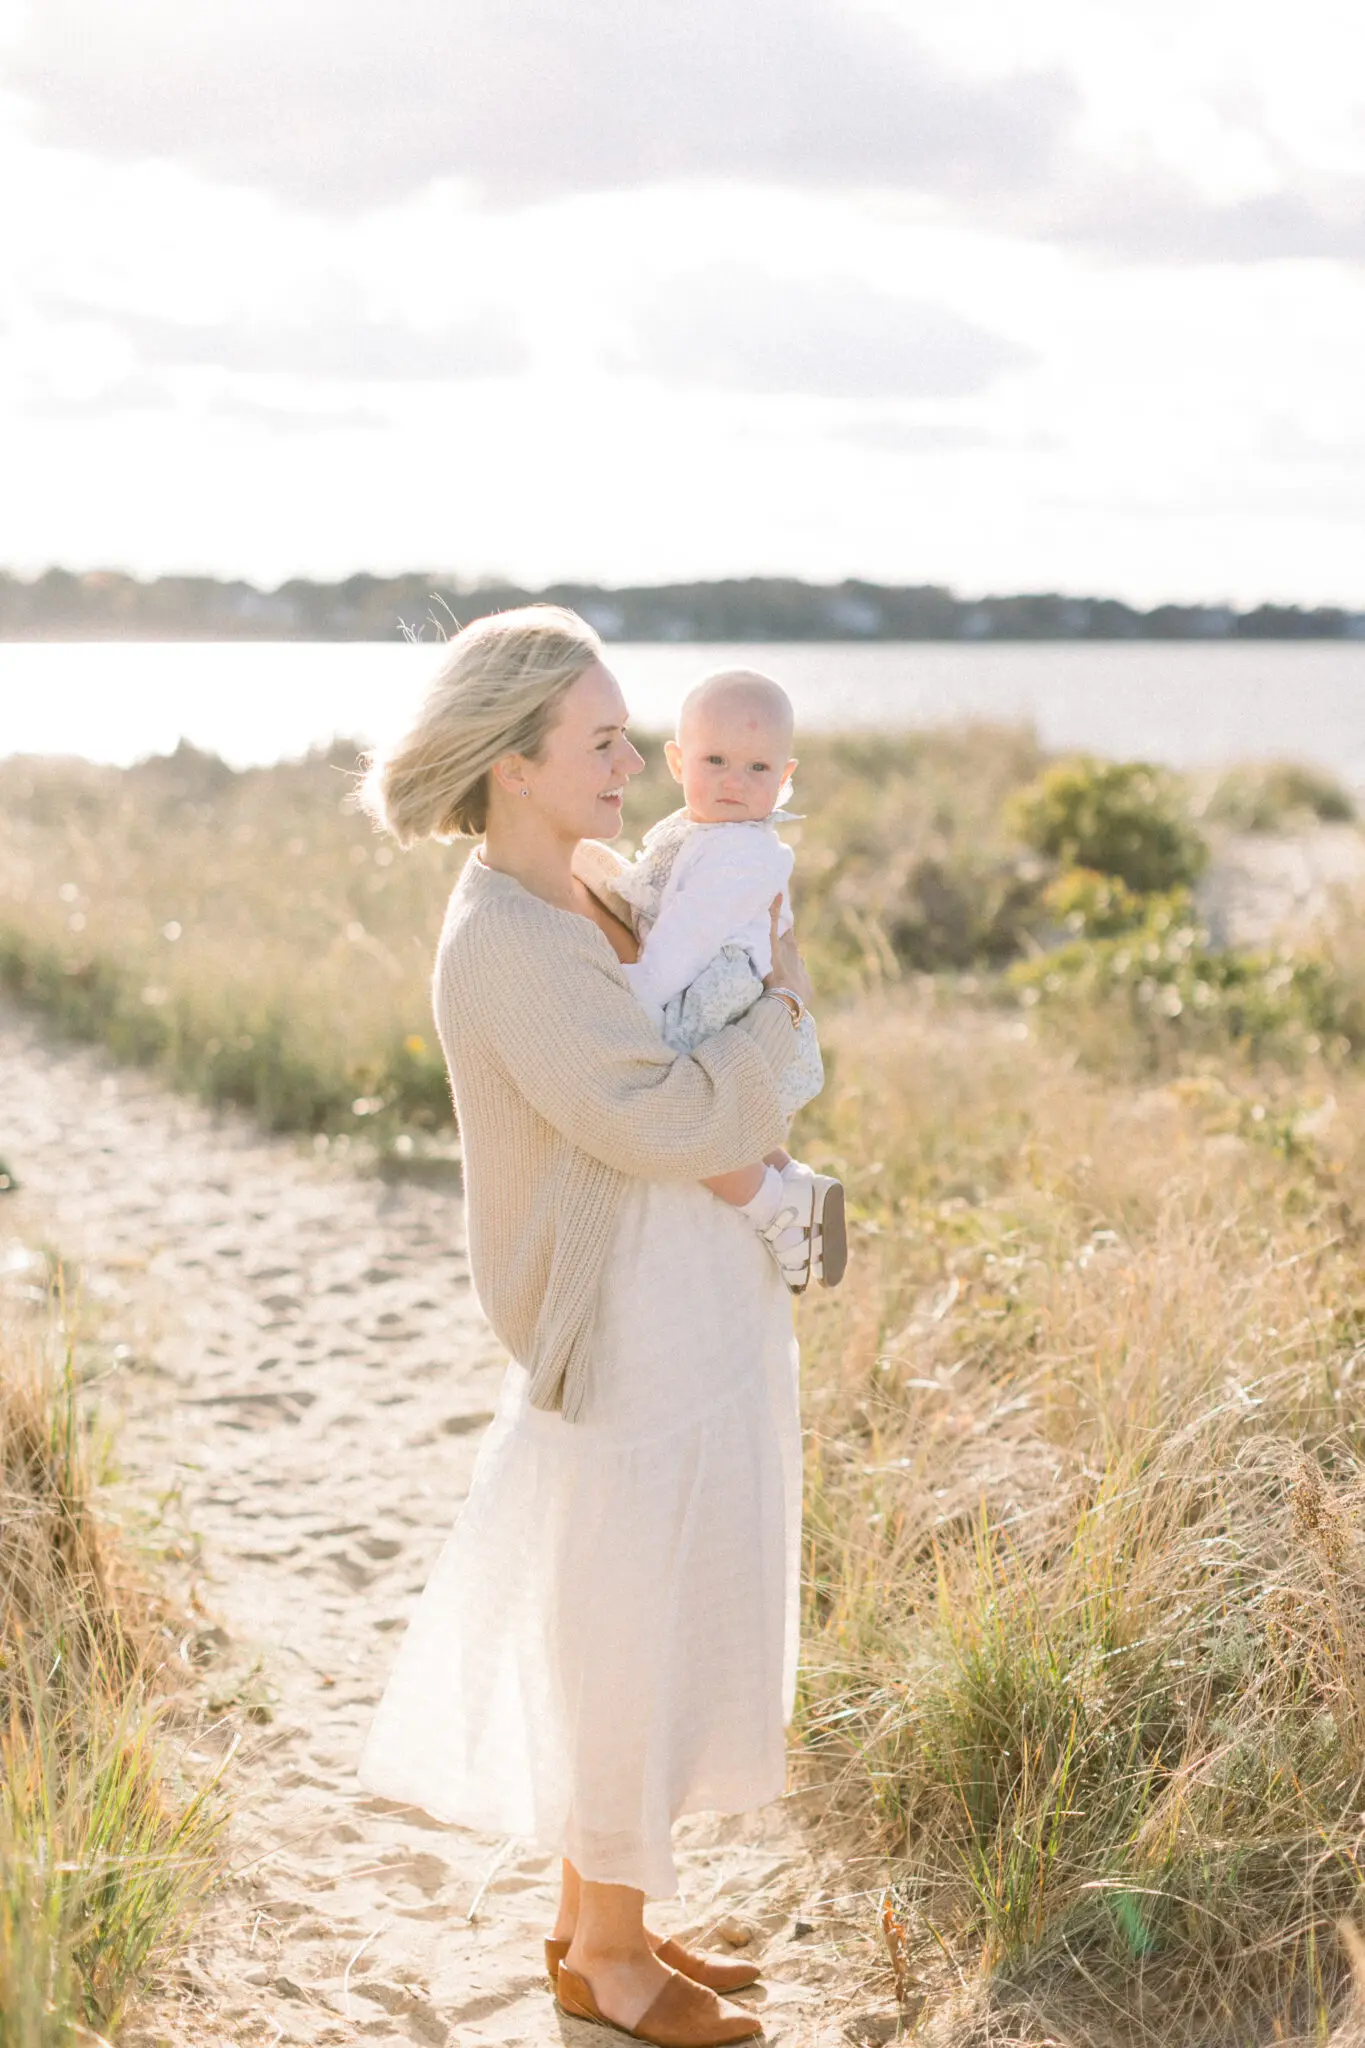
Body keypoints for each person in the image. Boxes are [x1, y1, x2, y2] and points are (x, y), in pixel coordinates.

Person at [355, 605, 816, 2048]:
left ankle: (591, 1925)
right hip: (624, 1330)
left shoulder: (593, 893)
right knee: (628, 1624)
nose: (636, 761)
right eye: (604, 740)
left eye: (629, 736)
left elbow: (690, 1041)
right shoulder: (506, 936)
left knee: (650, 1609)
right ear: (514, 764)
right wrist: (788, 1022)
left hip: (683, 1306)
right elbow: (664, 1111)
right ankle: (611, 1966)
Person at [613, 666, 845, 1293]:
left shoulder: (742, 851)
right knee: (741, 1120)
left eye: (758, 770)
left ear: (786, 777)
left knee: (694, 1112)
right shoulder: (708, 833)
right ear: (676, 760)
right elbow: (655, 887)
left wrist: (630, 999)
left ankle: (774, 1205)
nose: (736, 783)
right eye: (715, 760)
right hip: (722, 984)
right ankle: (791, 1184)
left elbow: (683, 939)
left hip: (720, 991)